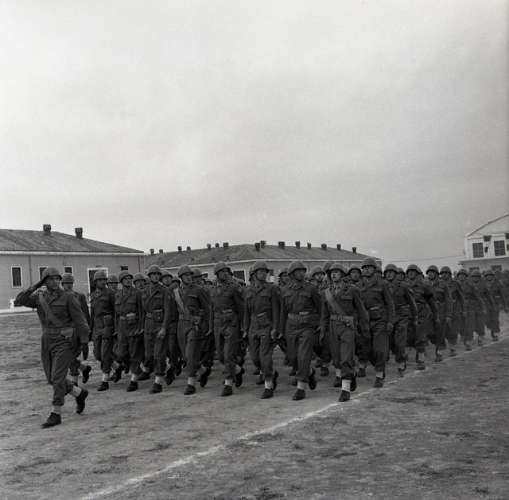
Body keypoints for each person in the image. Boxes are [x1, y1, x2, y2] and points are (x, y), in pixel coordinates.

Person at [14, 267, 90, 428]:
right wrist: (36, 286)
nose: (55, 282)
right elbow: (19, 300)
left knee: (57, 377)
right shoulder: (39, 297)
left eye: (57, 279)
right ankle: (79, 393)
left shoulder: (68, 297)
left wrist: (84, 341)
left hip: (64, 341)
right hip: (47, 340)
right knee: (51, 378)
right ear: (44, 281)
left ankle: (56, 413)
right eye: (50, 279)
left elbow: (80, 320)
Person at [321, 262, 368, 401]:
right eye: (332, 273)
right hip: (333, 327)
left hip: (347, 327)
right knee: (336, 359)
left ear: (342, 274)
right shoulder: (326, 292)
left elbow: (361, 311)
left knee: (346, 358)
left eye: (337, 272)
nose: (334, 275)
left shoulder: (352, 290)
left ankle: (345, 389)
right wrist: (323, 331)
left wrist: (364, 328)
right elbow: (324, 315)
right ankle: (351, 375)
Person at [280, 261, 321, 400]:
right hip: (291, 326)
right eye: (298, 271)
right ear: (292, 274)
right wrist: (280, 330)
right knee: (292, 357)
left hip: (307, 326)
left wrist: (318, 324)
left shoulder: (311, 288)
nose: (301, 273)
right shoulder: (284, 290)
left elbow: (320, 308)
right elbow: (282, 312)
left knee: (304, 357)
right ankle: (309, 372)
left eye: (303, 271)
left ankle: (301, 387)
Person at [244, 261, 280, 398]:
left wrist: (275, 328)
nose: (263, 274)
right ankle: (271, 373)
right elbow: (246, 312)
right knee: (254, 357)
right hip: (253, 326)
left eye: (265, 272)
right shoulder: (248, 290)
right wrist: (245, 329)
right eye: (260, 272)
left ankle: (268, 386)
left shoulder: (272, 289)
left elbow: (276, 310)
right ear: (254, 274)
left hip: (267, 325)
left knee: (265, 357)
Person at [358, 258, 395, 387]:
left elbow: (390, 304)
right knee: (366, 349)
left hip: (380, 320)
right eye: (364, 268)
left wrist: (390, 321)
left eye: (369, 267)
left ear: (374, 269)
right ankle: (378, 366)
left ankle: (379, 375)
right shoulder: (359, 286)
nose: (366, 270)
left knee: (380, 349)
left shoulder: (382, 284)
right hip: (365, 322)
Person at [209, 262, 245, 397]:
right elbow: (211, 309)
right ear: (217, 274)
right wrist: (210, 326)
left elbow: (241, 308)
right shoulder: (212, 289)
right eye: (222, 272)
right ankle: (238, 370)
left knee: (228, 354)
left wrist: (243, 326)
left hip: (231, 323)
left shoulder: (234, 287)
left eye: (226, 271)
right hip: (218, 324)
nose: (225, 274)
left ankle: (228, 383)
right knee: (221, 356)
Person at [174, 266, 210, 395]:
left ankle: (191, 383)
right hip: (181, 325)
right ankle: (203, 371)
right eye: (186, 276)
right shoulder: (176, 292)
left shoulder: (198, 290)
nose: (189, 277)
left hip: (194, 325)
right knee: (186, 356)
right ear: (181, 278)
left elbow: (207, 308)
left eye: (190, 275)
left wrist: (206, 325)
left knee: (190, 355)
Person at [140, 265, 171, 394]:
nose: (156, 276)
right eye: (153, 274)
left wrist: (164, 327)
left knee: (159, 354)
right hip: (148, 325)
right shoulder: (144, 291)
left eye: (158, 275)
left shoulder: (164, 291)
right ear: (149, 276)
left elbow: (168, 311)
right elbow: (142, 311)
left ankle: (158, 382)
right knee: (149, 355)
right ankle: (168, 368)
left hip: (159, 324)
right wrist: (142, 327)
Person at [384, 264, 417, 376]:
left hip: (402, 317)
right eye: (387, 272)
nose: (389, 274)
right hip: (388, 317)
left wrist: (415, 317)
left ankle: (401, 363)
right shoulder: (382, 286)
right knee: (389, 343)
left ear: (395, 274)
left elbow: (412, 303)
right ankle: (397, 357)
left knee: (400, 342)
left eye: (391, 272)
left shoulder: (403, 286)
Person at [115, 270, 144, 391]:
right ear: (121, 281)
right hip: (122, 327)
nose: (128, 281)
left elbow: (142, 312)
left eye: (129, 278)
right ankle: (131, 368)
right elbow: (116, 313)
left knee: (134, 353)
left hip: (133, 326)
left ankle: (134, 380)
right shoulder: (118, 294)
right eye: (125, 279)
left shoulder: (137, 293)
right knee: (120, 353)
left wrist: (141, 327)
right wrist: (116, 328)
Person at [61, 273, 92, 386]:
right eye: (66, 283)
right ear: (62, 284)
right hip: (66, 330)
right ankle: (84, 368)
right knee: (68, 356)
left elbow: (85, 313)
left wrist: (88, 329)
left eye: (70, 283)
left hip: (78, 329)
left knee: (72, 355)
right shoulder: (59, 297)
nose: (68, 285)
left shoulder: (79, 296)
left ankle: (75, 381)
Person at [405, 264, 438, 369]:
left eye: (413, 272)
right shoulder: (404, 285)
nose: (411, 273)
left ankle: (421, 359)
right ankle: (407, 356)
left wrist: (435, 315)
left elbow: (431, 302)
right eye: (409, 272)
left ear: (417, 273)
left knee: (420, 337)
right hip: (409, 314)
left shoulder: (424, 286)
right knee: (409, 337)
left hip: (421, 314)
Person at [90, 270, 117, 391]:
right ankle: (117, 367)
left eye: (104, 280)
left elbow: (116, 312)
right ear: (95, 282)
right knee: (97, 354)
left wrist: (115, 328)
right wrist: (90, 329)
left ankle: (105, 380)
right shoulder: (93, 295)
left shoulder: (111, 293)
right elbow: (92, 313)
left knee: (105, 354)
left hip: (107, 326)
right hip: (97, 327)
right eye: (100, 280)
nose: (102, 282)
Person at [425, 265, 452, 362]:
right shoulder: (425, 284)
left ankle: (438, 353)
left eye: (432, 272)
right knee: (429, 332)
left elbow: (448, 300)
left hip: (441, 312)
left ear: (436, 274)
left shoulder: (443, 285)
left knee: (439, 333)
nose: (430, 274)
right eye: (429, 272)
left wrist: (448, 314)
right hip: (429, 312)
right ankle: (440, 343)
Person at [456, 269, 485, 350]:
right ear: (458, 276)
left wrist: (483, 307)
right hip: (457, 308)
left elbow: (478, 297)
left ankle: (468, 342)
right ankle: (463, 337)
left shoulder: (470, 286)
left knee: (469, 325)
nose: (461, 277)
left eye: (463, 275)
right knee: (460, 325)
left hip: (469, 308)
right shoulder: (454, 285)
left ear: (466, 277)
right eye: (460, 275)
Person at [439, 266, 465, 356]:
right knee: (443, 330)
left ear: (449, 274)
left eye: (446, 273)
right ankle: (443, 347)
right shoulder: (438, 284)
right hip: (443, 311)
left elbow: (461, 297)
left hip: (455, 310)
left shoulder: (456, 284)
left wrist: (463, 309)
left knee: (453, 330)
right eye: (442, 273)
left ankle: (452, 348)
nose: (444, 275)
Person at [483, 269, 508, 341]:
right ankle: (491, 328)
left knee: (495, 320)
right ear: (485, 276)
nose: (489, 277)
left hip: (495, 305)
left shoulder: (497, 284)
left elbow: (502, 295)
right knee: (487, 320)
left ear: (493, 276)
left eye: (490, 275)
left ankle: (495, 335)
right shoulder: (482, 284)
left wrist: (505, 306)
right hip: (486, 305)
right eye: (487, 275)